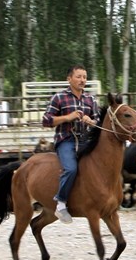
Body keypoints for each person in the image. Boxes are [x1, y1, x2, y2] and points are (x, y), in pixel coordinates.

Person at [42, 65, 99, 223]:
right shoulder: (59, 98)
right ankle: (60, 203)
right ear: (69, 79)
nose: (82, 80)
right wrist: (67, 117)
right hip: (66, 140)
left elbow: (99, 121)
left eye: (85, 77)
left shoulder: (90, 99)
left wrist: (91, 121)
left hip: (85, 140)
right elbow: (46, 121)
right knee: (71, 169)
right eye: (79, 77)